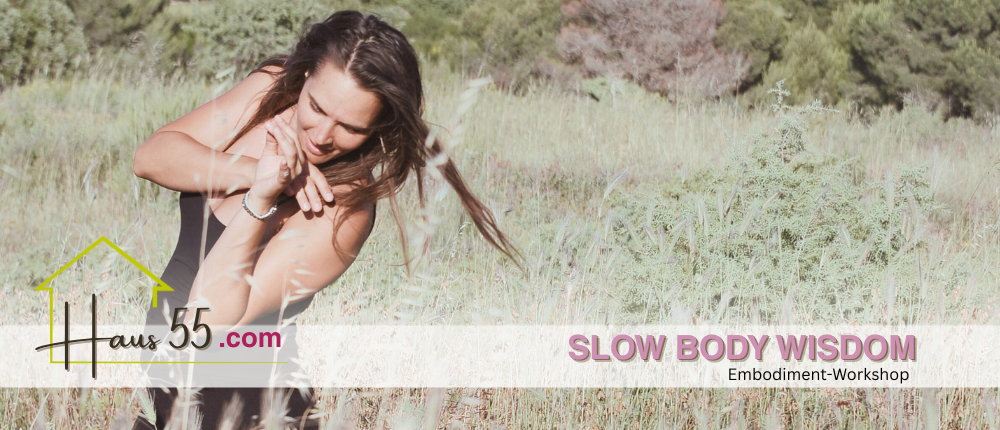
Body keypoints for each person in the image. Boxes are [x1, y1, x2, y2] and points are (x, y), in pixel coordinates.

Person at [130, 11, 517, 429]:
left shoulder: (343, 209)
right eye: (316, 106)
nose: (320, 135)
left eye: (350, 127)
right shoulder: (272, 91)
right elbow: (151, 157)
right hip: (167, 410)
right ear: (306, 76)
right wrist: (256, 172)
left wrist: (261, 199)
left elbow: (202, 330)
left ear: (377, 128)